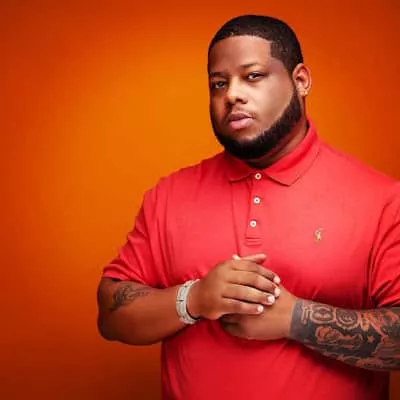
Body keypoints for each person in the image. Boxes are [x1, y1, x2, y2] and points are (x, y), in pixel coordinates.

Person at [97, 14, 400, 400]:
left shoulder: (381, 199)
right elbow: (111, 313)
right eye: (218, 83)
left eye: (252, 76)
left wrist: (295, 319)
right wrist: (194, 298)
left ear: (300, 81)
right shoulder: (169, 194)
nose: (232, 95)